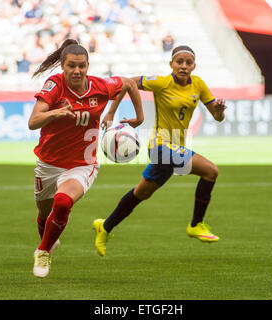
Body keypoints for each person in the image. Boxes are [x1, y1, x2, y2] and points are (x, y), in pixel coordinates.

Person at [91, 45, 227, 257]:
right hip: (161, 146)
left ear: (194, 66)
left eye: (188, 62)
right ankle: (196, 224)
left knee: (140, 194)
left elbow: (217, 117)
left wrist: (219, 112)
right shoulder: (161, 83)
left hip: (176, 147)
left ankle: (105, 227)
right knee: (211, 171)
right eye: (179, 61)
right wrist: (111, 113)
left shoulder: (198, 84)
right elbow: (126, 83)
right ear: (171, 64)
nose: (183, 66)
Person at [28, 38, 144, 278]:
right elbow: (33, 122)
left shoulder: (100, 86)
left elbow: (129, 84)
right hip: (48, 163)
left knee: (62, 203)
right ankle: (49, 239)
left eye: (82, 65)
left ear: (88, 66)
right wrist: (56, 112)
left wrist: (136, 117)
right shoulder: (54, 86)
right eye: (71, 66)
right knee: (43, 213)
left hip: (82, 164)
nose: (77, 71)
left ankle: (43, 252)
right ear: (63, 66)